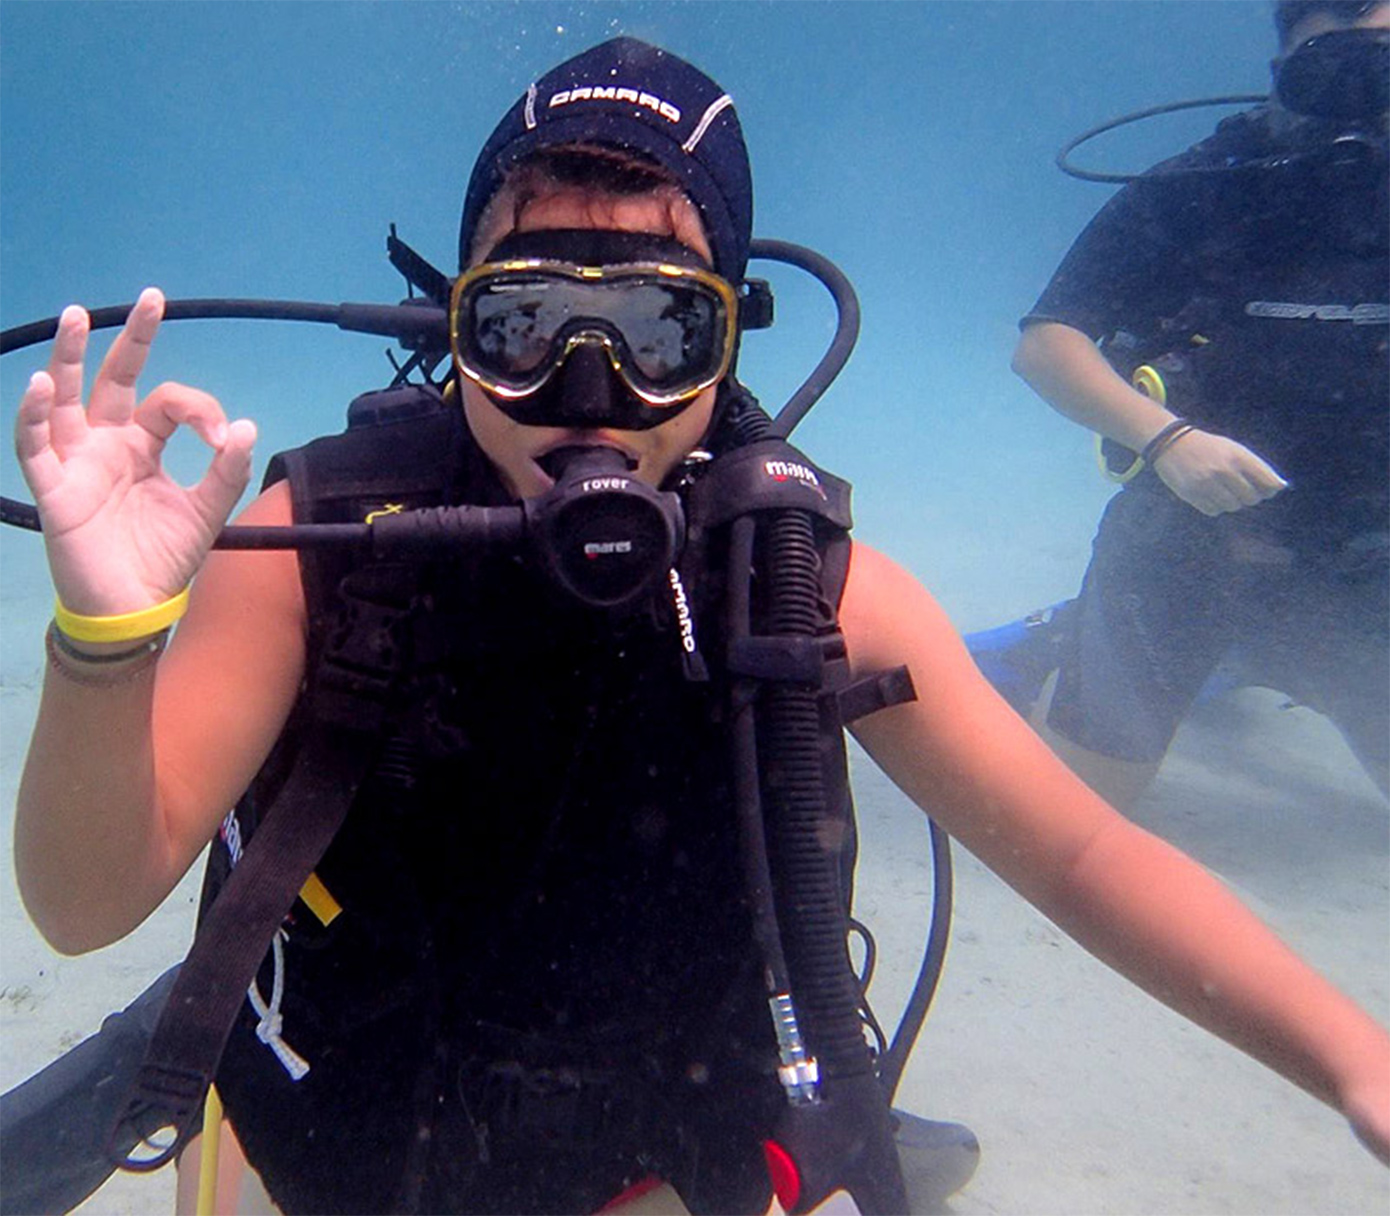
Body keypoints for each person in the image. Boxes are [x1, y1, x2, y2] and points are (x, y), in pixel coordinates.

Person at [11, 35, 1390, 1216]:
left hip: (664, 1154)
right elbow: (81, 904)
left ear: (729, 339)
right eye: (526, 323)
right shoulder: (316, 551)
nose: (585, 390)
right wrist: (106, 641)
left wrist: (1349, 1054)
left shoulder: (805, 586)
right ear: (452, 327)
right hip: (339, 1150)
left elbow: (1082, 854)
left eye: (658, 332)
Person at [1010, 0, 1389, 810]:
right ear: (1283, 69)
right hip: (1193, 536)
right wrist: (1168, 439)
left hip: (1373, 554)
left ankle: (1255, 658)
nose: (1362, 93)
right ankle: (1059, 645)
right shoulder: (1206, 186)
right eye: (1335, 66)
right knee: (1080, 808)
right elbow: (1046, 344)